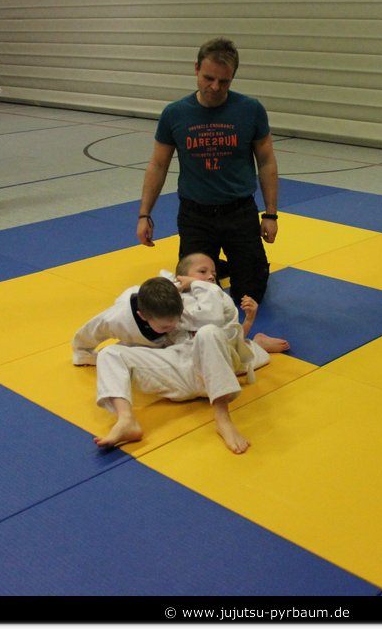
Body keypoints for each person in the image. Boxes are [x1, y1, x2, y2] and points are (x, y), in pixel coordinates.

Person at [87, 253, 289, 454]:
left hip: (214, 375)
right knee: (110, 353)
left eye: (214, 273)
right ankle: (126, 420)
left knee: (208, 333)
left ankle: (223, 419)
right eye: (203, 271)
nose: (211, 276)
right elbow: (126, 322)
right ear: (180, 277)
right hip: (179, 371)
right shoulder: (170, 302)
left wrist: (200, 284)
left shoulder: (218, 298)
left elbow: (218, 326)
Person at [136, 37, 280, 308]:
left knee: (250, 295)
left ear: (233, 77)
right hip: (196, 216)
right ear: (196, 69)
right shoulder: (175, 113)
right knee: (195, 299)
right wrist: (145, 214)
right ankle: (214, 264)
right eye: (208, 78)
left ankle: (235, 264)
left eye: (224, 82)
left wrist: (270, 214)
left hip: (239, 213)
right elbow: (158, 165)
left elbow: (266, 161)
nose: (215, 87)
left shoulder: (250, 110)